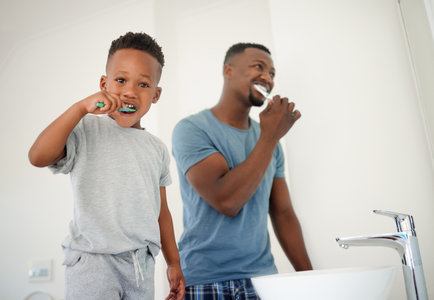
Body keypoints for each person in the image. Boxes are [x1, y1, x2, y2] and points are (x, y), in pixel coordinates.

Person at [28, 32, 185, 300]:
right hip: (93, 261)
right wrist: (79, 108)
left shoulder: (156, 148)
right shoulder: (86, 129)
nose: (130, 92)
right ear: (104, 83)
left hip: (140, 265)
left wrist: (174, 263)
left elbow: (162, 213)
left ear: (156, 95)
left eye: (143, 85)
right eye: (121, 80)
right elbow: (38, 156)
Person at [172, 42, 312, 299]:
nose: (267, 78)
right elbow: (226, 200)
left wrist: (311, 279)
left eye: (272, 74)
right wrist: (270, 137)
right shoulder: (191, 130)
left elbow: (282, 212)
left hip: (263, 280)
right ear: (228, 71)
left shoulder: (270, 140)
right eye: (258, 67)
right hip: (205, 280)